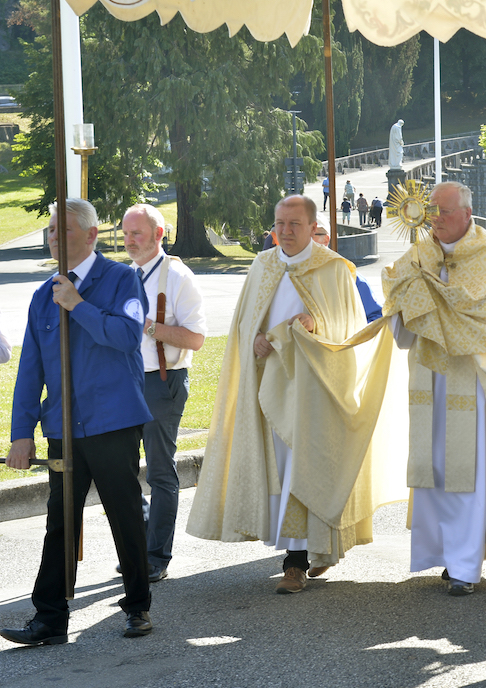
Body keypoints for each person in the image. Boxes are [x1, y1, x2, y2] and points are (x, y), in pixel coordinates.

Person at [186, 195, 402, 593]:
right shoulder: (262, 264)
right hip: (269, 382)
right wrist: (251, 340)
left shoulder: (333, 268)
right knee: (281, 468)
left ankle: (302, 557)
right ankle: (297, 556)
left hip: (313, 385)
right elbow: (243, 322)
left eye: (294, 224)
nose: (284, 231)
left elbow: (346, 325)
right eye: (279, 223)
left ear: (311, 225)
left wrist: (315, 321)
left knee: (309, 466)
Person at [2, 199, 154, 645]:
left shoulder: (122, 279)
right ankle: (49, 618)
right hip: (63, 428)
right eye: (49, 231)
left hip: (113, 422)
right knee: (59, 523)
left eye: (63, 231)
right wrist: (20, 434)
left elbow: (127, 338)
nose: (53, 238)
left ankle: (137, 607)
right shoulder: (41, 297)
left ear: (91, 236)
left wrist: (79, 304)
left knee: (124, 516)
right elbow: (30, 371)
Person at [384, 181, 486, 596]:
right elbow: (397, 314)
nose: (435, 220)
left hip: (472, 376)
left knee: (465, 472)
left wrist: (441, 310)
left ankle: (466, 566)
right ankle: (441, 555)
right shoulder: (417, 258)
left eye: (444, 212)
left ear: (468, 214)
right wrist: (407, 303)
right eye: (430, 212)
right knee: (432, 466)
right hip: (428, 374)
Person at [121, 204, 207, 583]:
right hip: (125, 384)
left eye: (136, 234)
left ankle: (156, 556)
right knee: (120, 471)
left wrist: (151, 328)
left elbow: (196, 338)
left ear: (159, 235)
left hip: (162, 381)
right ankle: (139, 546)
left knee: (159, 471)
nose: (129, 241)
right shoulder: (125, 276)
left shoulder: (179, 277)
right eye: (125, 234)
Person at [312, 225, 383, 324]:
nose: (303, 242)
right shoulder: (288, 274)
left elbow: (375, 319)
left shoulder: (350, 278)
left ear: (325, 240)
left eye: (311, 235)